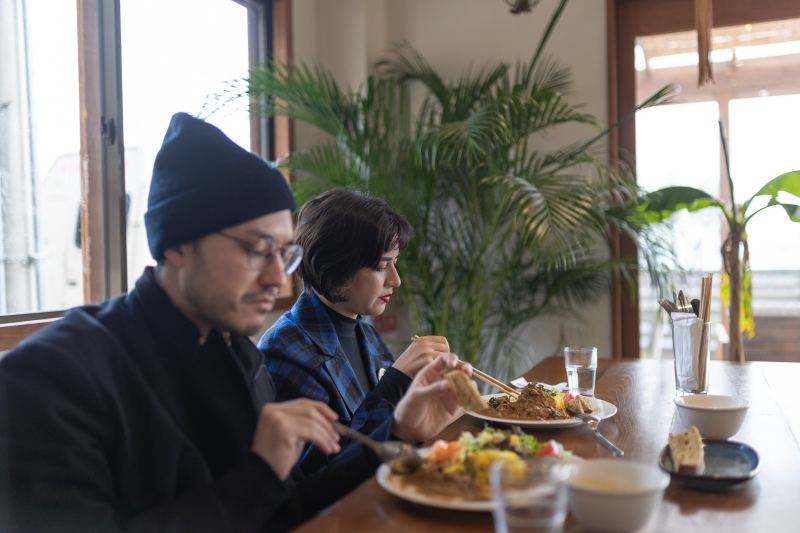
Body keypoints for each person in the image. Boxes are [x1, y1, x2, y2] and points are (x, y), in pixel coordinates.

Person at [0, 113, 470, 533]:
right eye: (254, 249)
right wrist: (260, 475)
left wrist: (397, 431)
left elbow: (286, 510)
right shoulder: (51, 376)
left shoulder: (238, 355)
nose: (274, 278)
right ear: (178, 244)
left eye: (283, 254)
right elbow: (258, 492)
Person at [258, 189, 450, 442]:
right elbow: (327, 468)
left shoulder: (368, 336)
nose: (396, 280)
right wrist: (395, 381)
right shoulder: (284, 350)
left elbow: (398, 432)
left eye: (395, 262)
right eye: (381, 266)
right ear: (337, 266)